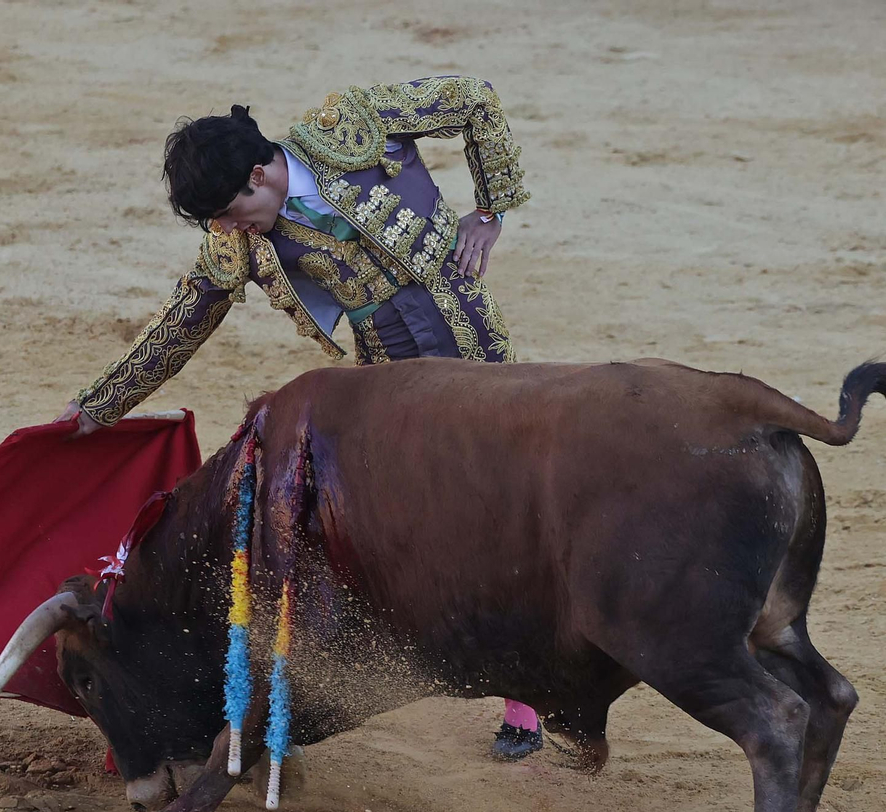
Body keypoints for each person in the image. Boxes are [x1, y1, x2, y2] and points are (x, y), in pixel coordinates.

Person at [56, 76, 543, 760]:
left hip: (462, 325)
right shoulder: (242, 241)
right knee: (422, 516)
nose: (227, 229)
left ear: (261, 173)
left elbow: (474, 99)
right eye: (215, 223)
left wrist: (490, 210)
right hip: (385, 364)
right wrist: (96, 406)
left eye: (230, 210)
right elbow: (185, 319)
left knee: (499, 494)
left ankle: (526, 688)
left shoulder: (352, 124)